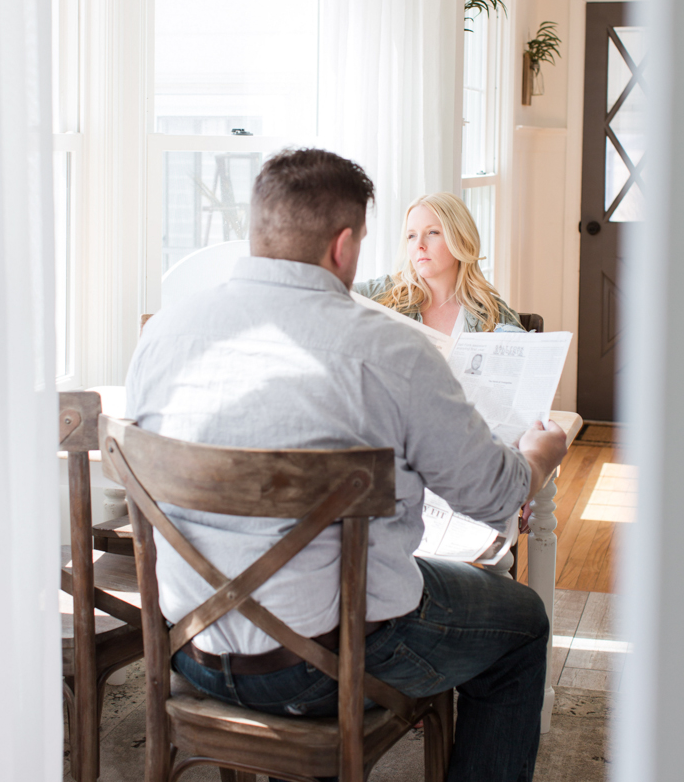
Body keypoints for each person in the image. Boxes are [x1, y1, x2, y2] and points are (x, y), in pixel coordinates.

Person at [125, 148, 567, 782]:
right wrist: (534, 456)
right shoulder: (393, 349)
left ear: (258, 230)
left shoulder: (166, 332)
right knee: (522, 622)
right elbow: (493, 495)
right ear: (345, 246)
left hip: (190, 648)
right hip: (327, 665)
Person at [354, 192, 523, 337]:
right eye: (411, 236)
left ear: (460, 239)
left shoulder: (494, 315)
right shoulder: (384, 293)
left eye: (432, 232)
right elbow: (328, 292)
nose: (419, 244)